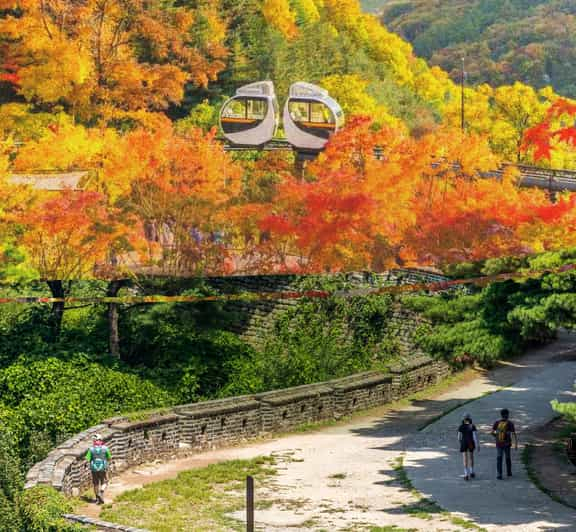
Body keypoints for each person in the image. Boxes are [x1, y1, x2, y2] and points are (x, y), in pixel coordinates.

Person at [491, 408, 517, 479]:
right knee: (507, 457)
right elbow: (514, 434)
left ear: (501, 415)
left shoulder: (497, 422)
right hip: (507, 444)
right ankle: (509, 472)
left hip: (499, 443)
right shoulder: (510, 423)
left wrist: (496, 437)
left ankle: (499, 474)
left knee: (499, 458)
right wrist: (515, 444)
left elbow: (492, 432)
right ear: (507, 415)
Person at [86, 433, 112, 504]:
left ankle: (97, 498)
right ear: (101, 441)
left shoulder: (91, 449)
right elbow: (109, 458)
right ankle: (102, 491)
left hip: (94, 469)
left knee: (95, 483)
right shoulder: (105, 448)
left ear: (94, 441)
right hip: (103, 468)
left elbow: (87, 459)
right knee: (105, 481)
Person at [458, 413, 479, 480]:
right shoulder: (472, 426)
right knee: (471, 457)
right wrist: (477, 445)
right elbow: (474, 437)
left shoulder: (461, 426)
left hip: (464, 442)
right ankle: (472, 472)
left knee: (465, 459)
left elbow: (459, 437)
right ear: (469, 418)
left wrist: (460, 442)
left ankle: (466, 474)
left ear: (463, 419)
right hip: (470, 442)